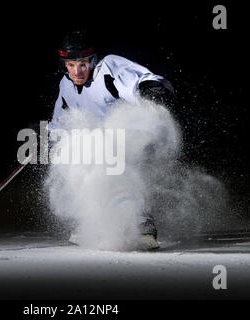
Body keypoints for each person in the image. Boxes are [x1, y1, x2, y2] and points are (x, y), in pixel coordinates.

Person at [49, 30, 175, 249]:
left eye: (82, 64)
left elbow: (140, 78)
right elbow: (60, 121)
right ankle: (94, 220)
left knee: (116, 165)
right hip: (103, 145)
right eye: (71, 65)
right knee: (75, 160)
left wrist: (150, 89)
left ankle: (141, 222)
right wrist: (49, 137)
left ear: (92, 60)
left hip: (137, 138)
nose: (77, 71)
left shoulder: (107, 68)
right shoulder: (66, 85)